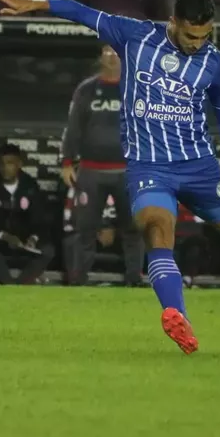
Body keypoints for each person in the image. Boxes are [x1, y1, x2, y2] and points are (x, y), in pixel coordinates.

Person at [0, 0, 220, 354]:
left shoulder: (214, 62)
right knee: (157, 230)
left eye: (205, 36)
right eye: (191, 35)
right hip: (149, 167)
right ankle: (177, 315)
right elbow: (81, 12)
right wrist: (34, 4)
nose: (197, 43)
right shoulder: (135, 36)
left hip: (199, 166)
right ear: (173, 21)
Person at [60, 43, 143, 286]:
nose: (111, 56)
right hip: (91, 171)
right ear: (101, 56)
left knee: (133, 228)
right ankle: (78, 281)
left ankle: (134, 280)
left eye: (116, 51)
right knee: (85, 229)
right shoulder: (87, 89)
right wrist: (67, 162)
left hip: (128, 170)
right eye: (107, 51)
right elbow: (73, 126)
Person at [0, 144, 55, 284]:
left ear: (19, 164)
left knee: (48, 251)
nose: (5, 168)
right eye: (2, 163)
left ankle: (21, 284)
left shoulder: (30, 185)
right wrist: (4, 236)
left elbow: (40, 219)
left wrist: (33, 238)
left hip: (23, 240)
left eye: (10, 163)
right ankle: (8, 284)